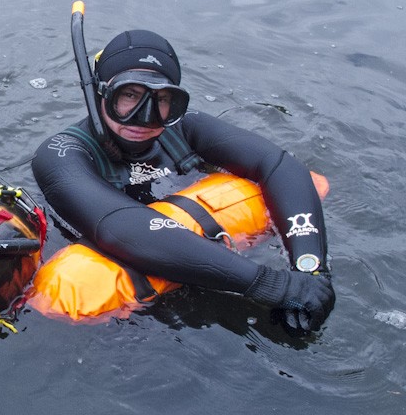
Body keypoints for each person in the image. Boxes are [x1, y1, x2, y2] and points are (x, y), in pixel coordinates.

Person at [32, 27, 335, 331]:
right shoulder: (61, 154)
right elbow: (117, 225)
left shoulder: (184, 129)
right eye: (129, 95)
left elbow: (278, 164)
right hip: (128, 303)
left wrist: (310, 272)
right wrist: (269, 285)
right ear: (100, 94)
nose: (145, 116)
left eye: (162, 99)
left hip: (211, 254)